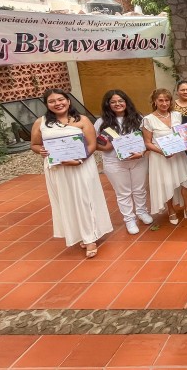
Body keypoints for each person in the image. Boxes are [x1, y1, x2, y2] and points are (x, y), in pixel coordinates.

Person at [30, 89, 112, 258]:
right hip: (58, 169)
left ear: (68, 101)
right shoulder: (41, 122)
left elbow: (91, 145)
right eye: (52, 101)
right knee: (66, 201)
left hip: (81, 166)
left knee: (84, 199)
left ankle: (90, 238)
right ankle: (78, 234)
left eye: (61, 99)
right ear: (46, 104)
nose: (57, 103)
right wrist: (41, 151)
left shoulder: (82, 120)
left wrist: (80, 160)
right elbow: (35, 144)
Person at [94, 89, 153, 235]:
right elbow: (94, 143)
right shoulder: (101, 122)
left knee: (140, 188)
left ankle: (141, 211)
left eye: (120, 101)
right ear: (108, 104)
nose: (117, 104)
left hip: (138, 159)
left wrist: (142, 152)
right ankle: (129, 219)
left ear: (126, 102)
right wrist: (108, 146)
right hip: (114, 162)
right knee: (123, 192)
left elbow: (146, 139)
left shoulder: (138, 117)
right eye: (113, 102)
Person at [142, 88, 187, 225]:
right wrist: (163, 152)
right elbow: (147, 143)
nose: (164, 103)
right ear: (155, 101)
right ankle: (171, 210)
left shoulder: (177, 115)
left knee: (186, 182)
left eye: (167, 100)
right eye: (160, 100)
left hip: (179, 155)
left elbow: (183, 135)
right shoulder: (148, 119)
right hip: (161, 158)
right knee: (166, 182)